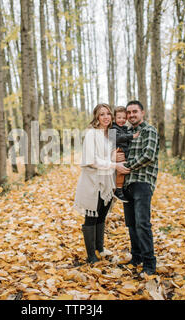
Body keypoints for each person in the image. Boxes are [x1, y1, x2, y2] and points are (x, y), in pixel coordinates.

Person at [73, 103, 122, 264]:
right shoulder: (91, 134)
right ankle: (91, 256)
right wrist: (113, 164)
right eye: (102, 114)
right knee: (91, 216)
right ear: (96, 117)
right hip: (92, 182)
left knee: (102, 214)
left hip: (107, 181)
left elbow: (113, 156)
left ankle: (100, 248)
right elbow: (91, 160)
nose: (106, 117)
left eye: (108, 113)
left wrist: (118, 159)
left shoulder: (112, 135)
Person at [115, 100, 160, 276]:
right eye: (129, 112)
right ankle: (137, 258)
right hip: (127, 184)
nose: (131, 115)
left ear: (142, 113)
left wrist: (127, 165)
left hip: (142, 182)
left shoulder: (149, 131)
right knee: (132, 224)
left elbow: (148, 155)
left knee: (142, 223)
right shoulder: (127, 133)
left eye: (135, 111)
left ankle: (149, 264)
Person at [111, 106, 139, 203]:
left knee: (123, 170)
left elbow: (126, 132)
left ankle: (120, 187)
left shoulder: (123, 128)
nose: (122, 120)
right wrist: (132, 136)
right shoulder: (113, 128)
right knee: (121, 171)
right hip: (118, 151)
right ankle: (118, 189)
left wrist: (131, 131)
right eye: (119, 118)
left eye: (124, 118)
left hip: (123, 151)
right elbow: (118, 138)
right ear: (114, 118)